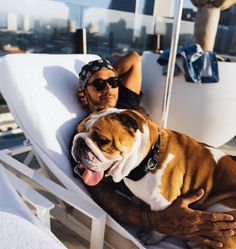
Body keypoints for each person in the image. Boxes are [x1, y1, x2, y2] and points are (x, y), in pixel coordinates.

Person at [76, 51, 236, 248]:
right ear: (84, 92)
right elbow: (100, 192)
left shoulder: (125, 103)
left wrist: (104, 78)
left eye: (114, 82)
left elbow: (134, 58)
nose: (108, 88)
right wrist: (154, 221)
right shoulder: (87, 127)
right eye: (100, 85)